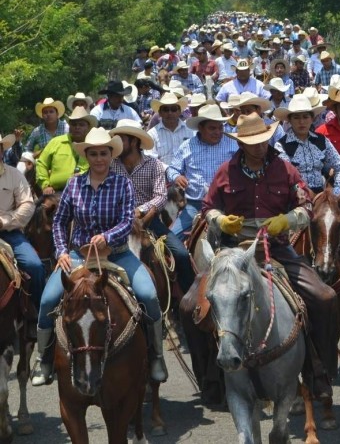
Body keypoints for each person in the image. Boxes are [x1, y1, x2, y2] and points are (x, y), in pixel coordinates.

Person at [202, 113, 338, 400]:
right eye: (252, 142)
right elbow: (208, 208)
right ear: (241, 143)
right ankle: (211, 377)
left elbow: (306, 208)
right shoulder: (226, 171)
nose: (259, 146)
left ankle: (319, 369)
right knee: (194, 306)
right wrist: (221, 221)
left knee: (325, 298)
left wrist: (286, 221)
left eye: (262, 140)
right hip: (233, 249)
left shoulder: (285, 170)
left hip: (275, 247)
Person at [33, 128, 168, 386]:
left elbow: (128, 219)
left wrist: (107, 236)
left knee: (149, 295)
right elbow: (61, 222)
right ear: (87, 156)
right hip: (78, 255)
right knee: (48, 299)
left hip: (117, 254)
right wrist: (61, 251)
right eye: (93, 154)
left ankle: (156, 356)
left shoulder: (122, 184)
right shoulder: (74, 184)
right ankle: (44, 359)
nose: (98, 159)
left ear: (110, 155)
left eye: (103, 153)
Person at [274, 96, 340, 269]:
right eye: (296, 117)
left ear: (312, 118)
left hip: (324, 196)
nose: (302, 121)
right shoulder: (281, 146)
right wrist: (306, 194)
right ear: (289, 120)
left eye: (305, 117)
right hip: (296, 197)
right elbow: (289, 176)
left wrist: (336, 194)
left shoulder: (321, 140)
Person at [110, 120, 194, 295]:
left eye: (121, 139)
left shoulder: (154, 164)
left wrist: (140, 211)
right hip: (116, 221)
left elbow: (161, 197)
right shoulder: (111, 165)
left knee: (181, 254)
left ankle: (187, 300)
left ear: (133, 141)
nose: (117, 143)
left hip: (150, 220)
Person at [166, 105, 238, 237]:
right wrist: (176, 177)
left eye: (220, 127)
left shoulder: (232, 143)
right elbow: (172, 169)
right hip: (196, 204)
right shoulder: (187, 146)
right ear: (200, 128)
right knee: (172, 240)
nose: (217, 132)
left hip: (227, 203)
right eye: (212, 128)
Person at [0, 131, 44, 322]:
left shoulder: (14, 175)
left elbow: (27, 205)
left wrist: (4, 221)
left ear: (2, 151)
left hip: (9, 233)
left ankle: (38, 309)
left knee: (34, 265)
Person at [36, 107, 97, 194]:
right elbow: (41, 163)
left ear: (88, 127)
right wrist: (45, 185)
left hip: (87, 191)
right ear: (69, 126)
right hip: (56, 192)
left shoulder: (94, 146)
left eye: (81, 125)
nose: (77, 127)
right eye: (74, 124)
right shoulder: (56, 142)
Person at [147, 92, 194, 167]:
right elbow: (151, 160)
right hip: (162, 175)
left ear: (179, 111)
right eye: (165, 109)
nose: (170, 113)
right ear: (160, 113)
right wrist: (171, 173)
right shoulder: (152, 134)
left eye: (174, 109)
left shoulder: (190, 131)